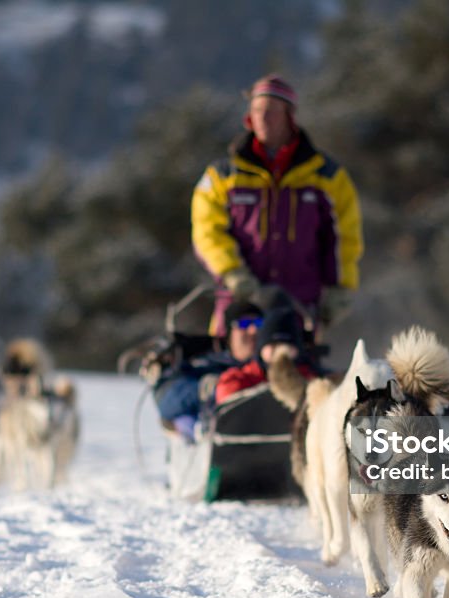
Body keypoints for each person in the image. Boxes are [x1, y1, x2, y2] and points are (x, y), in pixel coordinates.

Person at [192, 74, 364, 337]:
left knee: (296, 376)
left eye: (271, 111)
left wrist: (341, 288)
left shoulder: (327, 176)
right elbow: (206, 231)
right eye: (257, 109)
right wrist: (232, 272)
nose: (263, 117)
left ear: (290, 116)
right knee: (232, 376)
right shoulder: (222, 175)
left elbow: (344, 235)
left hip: (299, 307)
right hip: (241, 305)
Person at [153, 301, 264, 441]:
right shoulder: (205, 362)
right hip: (219, 442)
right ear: (230, 331)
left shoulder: (272, 365)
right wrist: (204, 388)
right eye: (244, 323)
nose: (253, 330)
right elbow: (166, 401)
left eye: (259, 323)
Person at [215, 307, 317, 405]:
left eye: (286, 347)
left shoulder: (311, 379)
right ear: (261, 349)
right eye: (273, 346)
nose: (279, 352)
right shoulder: (237, 380)